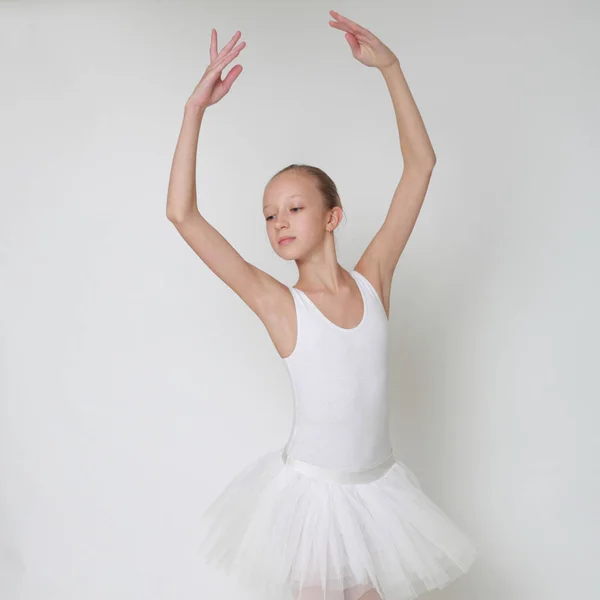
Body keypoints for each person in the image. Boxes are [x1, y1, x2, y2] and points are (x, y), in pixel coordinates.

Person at [166, 10, 479, 600]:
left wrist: (390, 67)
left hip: (380, 492)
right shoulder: (280, 305)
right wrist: (193, 112)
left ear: (333, 216)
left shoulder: (373, 281)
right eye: (268, 214)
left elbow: (421, 166)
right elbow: (183, 215)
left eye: (294, 207)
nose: (278, 222)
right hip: (316, 502)